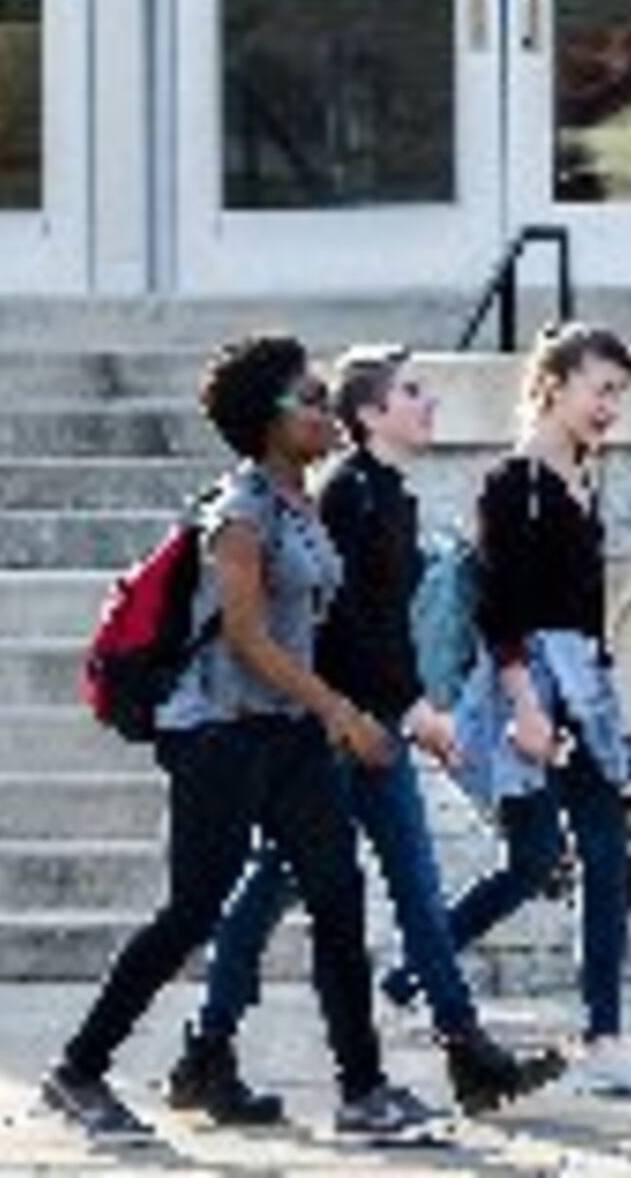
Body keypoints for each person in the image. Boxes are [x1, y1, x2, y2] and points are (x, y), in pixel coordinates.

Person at [42, 332, 442, 1150]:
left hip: (286, 734)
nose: (327, 409)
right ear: (269, 419)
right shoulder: (240, 514)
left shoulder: (302, 500)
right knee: (194, 910)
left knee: (338, 896)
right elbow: (251, 638)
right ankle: (79, 1070)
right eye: (311, 398)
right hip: (218, 735)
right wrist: (343, 714)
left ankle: (363, 1091)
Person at [188, 345, 562, 1122]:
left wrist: (410, 704)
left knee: (401, 889)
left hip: (372, 724)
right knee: (277, 888)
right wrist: (402, 710)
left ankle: (466, 1052)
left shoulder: (389, 495)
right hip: (337, 730)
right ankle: (210, 1046)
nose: (430, 404)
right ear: (369, 414)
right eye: (413, 392)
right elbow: (345, 625)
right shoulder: (353, 495)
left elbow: (385, 626)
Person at [417, 323, 631, 1099]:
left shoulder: (578, 478)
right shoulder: (515, 482)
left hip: (581, 684)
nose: (610, 407)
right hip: (531, 685)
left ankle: (407, 978)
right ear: (554, 384)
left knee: (539, 861)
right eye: (601, 389)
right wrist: (529, 710)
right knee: (600, 850)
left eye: (619, 394)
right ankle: (602, 1038)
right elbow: (502, 612)